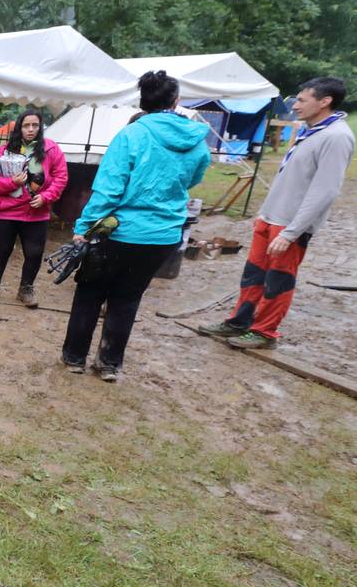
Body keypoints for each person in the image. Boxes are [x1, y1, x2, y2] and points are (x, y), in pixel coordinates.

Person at [60, 71, 210, 381]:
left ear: (141, 101)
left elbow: (108, 189)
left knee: (90, 292)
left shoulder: (131, 135)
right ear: (177, 101)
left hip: (120, 232)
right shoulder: (197, 141)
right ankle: (109, 363)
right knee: (127, 298)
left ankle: (75, 357)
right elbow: (193, 179)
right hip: (163, 235)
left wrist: (84, 226)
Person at [198, 77, 353, 349]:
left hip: (291, 224)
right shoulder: (311, 130)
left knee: (278, 279)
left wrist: (293, 231)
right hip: (271, 218)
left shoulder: (336, 137)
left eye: (303, 100)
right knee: (254, 274)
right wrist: (264, 214)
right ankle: (238, 322)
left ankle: (264, 332)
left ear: (325, 101)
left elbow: (325, 190)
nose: (295, 106)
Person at [0, 108, 68, 307]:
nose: (30, 129)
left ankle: (25, 289)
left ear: (41, 127)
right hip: (5, 211)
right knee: (2, 251)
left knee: (34, 253)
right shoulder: (5, 150)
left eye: (35, 125)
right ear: (19, 127)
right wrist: (12, 183)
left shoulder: (51, 150)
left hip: (35, 212)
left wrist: (46, 197)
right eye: (26, 125)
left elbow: (61, 177)